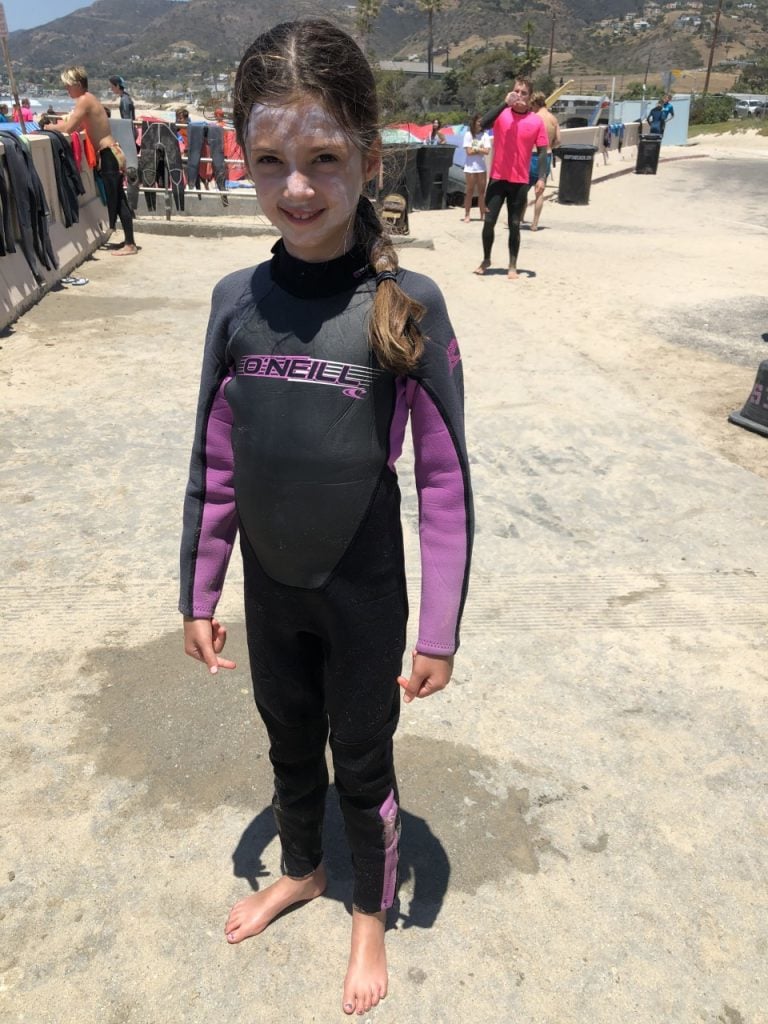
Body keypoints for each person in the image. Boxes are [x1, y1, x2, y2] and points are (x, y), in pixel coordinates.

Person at [179, 17, 472, 1019]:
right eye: (270, 160)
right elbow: (215, 462)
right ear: (242, 158)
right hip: (272, 588)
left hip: (363, 590)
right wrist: (199, 591)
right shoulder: (236, 301)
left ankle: (368, 910)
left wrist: (439, 630)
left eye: (323, 159)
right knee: (287, 741)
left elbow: (444, 482)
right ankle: (302, 869)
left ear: (369, 158)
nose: (296, 186)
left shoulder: (408, 303)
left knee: (364, 755)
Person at [43, 66, 138, 255]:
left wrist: (48, 127)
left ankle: (130, 244)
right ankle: (129, 241)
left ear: (78, 84)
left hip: (109, 154)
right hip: (112, 152)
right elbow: (78, 126)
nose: (66, 89)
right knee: (119, 198)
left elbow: (69, 129)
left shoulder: (84, 100)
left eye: (68, 85)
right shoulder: (89, 99)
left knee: (118, 200)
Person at [474, 77, 548, 279]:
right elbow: (482, 124)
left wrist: (541, 177)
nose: (519, 96)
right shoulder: (502, 114)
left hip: (520, 181)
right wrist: (504, 104)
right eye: (516, 91)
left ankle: (513, 264)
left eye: (524, 93)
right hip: (498, 178)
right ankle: (486, 259)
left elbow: (543, 151)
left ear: (530, 97)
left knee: (514, 224)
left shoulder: (536, 121)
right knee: (489, 222)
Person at [525, 91, 561, 232]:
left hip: (532, 155)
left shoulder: (533, 118)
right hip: (546, 155)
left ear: (535, 103)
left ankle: (520, 217)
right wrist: (550, 146)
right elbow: (558, 140)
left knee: (523, 189)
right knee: (539, 192)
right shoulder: (553, 119)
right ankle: (535, 223)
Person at [462, 113, 489, 222]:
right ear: (474, 122)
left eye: (481, 122)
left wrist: (476, 149)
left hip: (481, 167)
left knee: (482, 192)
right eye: (478, 122)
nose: (480, 124)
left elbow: (487, 151)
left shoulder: (485, 135)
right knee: (470, 190)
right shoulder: (468, 135)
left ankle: (482, 214)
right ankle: (467, 214)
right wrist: (480, 149)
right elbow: (468, 152)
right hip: (470, 167)